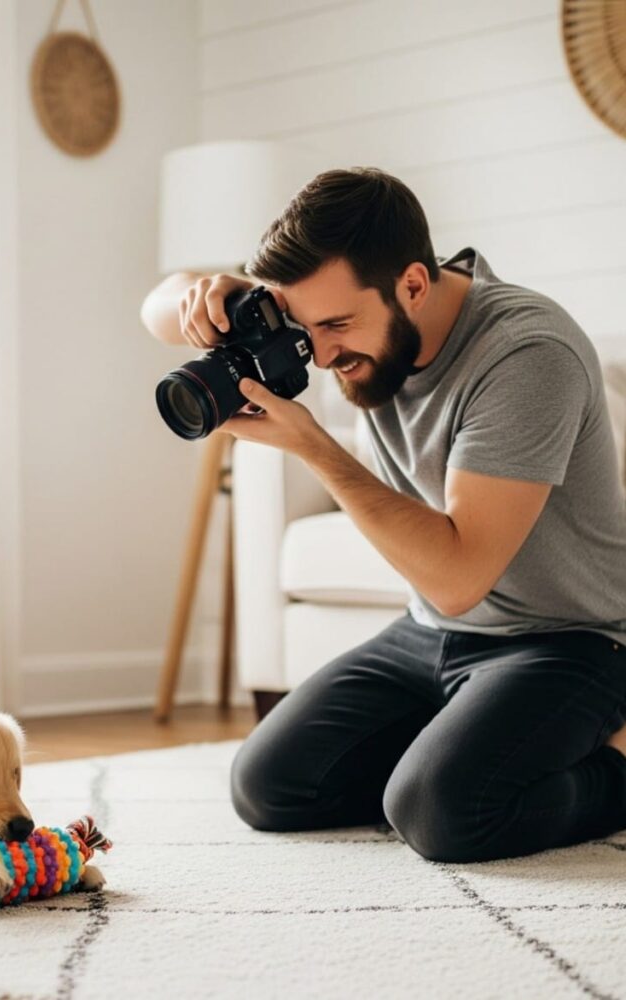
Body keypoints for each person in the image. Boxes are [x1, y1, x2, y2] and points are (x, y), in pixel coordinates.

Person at [140, 167, 626, 863]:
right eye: (308, 329)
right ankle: (463, 748)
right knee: (268, 788)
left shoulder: (526, 354)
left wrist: (315, 446)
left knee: (440, 812)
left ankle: (614, 768)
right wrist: (205, 297)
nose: (325, 357)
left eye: (337, 326)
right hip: (429, 633)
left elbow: (460, 576)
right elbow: (153, 310)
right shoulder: (339, 309)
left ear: (414, 285)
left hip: (566, 640)